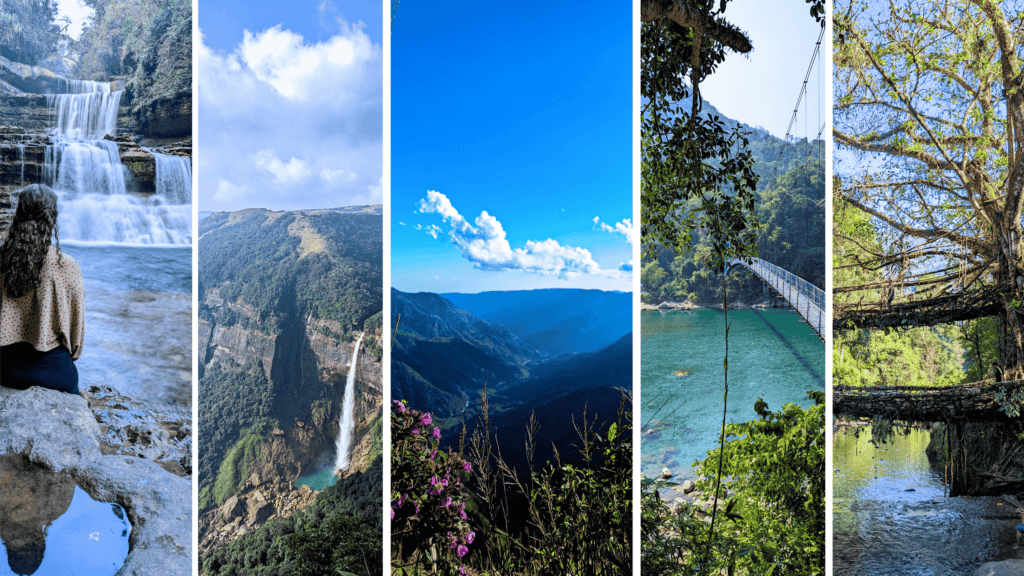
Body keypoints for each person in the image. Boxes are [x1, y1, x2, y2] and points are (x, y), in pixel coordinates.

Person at [0, 184, 84, 395]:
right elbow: (76, 333)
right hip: (51, 369)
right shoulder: (66, 265)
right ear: (52, 218)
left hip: (5, 365)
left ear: (18, 214)